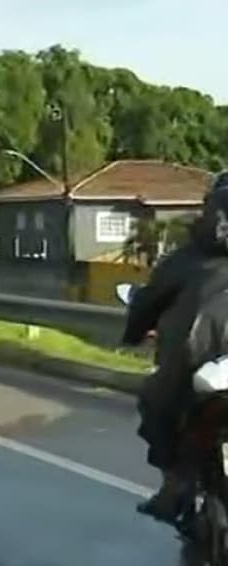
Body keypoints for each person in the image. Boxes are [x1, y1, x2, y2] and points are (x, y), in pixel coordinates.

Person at [126, 186, 228, 523]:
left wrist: (134, 334)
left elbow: (147, 303)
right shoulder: (187, 259)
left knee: (158, 403)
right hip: (202, 371)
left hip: (193, 363)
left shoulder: (186, 259)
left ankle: (173, 487)